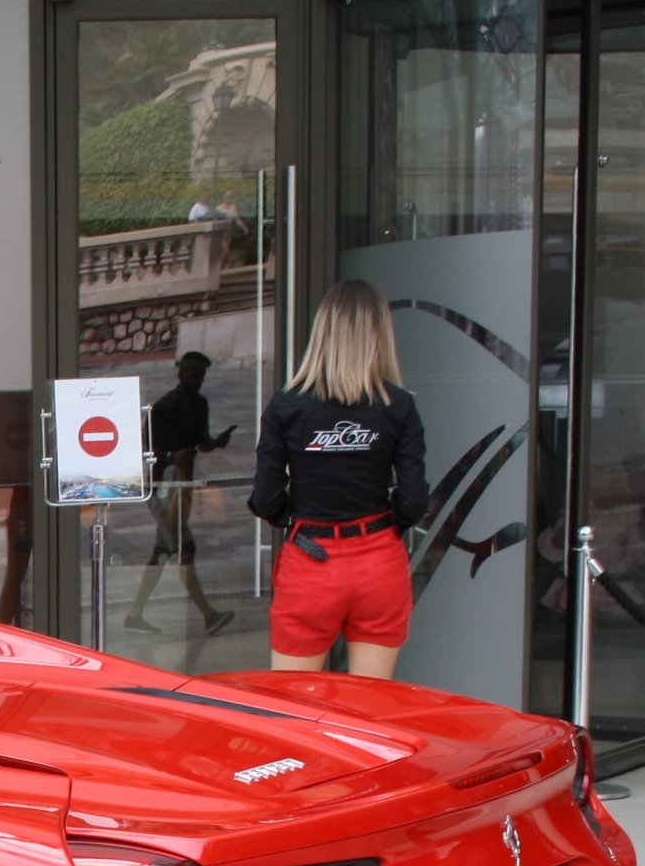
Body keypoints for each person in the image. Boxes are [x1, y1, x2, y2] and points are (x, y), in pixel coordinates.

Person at [249, 278, 427, 679]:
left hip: (311, 557)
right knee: (369, 712)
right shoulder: (398, 406)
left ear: (322, 332)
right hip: (379, 557)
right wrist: (383, 526)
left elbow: (265, 498)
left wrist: (294, 519)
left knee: (295, 708)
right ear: (380, 333)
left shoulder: (286, 405)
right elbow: (414, 500)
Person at [125, 351, 236, 636]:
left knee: (162, 552)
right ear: (181, 374)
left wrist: (217, 442)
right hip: (162, 487)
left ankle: (134, 614)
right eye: (194, 375)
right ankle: (209, 615)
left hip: (182, 486)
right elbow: (142, 447)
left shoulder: (200, 405)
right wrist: (173, 456)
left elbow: (203, 442)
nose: (199, 381)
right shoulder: (163, 407)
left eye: (202, 377)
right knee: (184, 548)